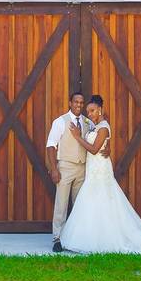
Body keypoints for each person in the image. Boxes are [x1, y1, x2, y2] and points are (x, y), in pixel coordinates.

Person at [59, 94, 141, 254]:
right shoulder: (94, 126)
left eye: (93, 110)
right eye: (88, 111)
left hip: (100, 170)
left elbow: (93, 149)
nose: (90, 114)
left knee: (104, 200)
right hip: (93, 169)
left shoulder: (104, 127)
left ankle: (109, 239)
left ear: (100, 110)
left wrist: (78, 136)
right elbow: (100, 146)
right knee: (93, 202)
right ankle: (95, 236)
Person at [45, 91, 110, 253]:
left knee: (80, 205)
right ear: (70, 103)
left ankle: (76, 237)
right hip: (66, 167)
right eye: (76, 102)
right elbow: (51, 145)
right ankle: (57, 238)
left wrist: (107, 147)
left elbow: (101, 137)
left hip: (83, 168)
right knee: (61, 204)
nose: (79, 105)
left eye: (81, 103)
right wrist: (54, 168)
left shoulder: (88, 121)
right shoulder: (60, 121)